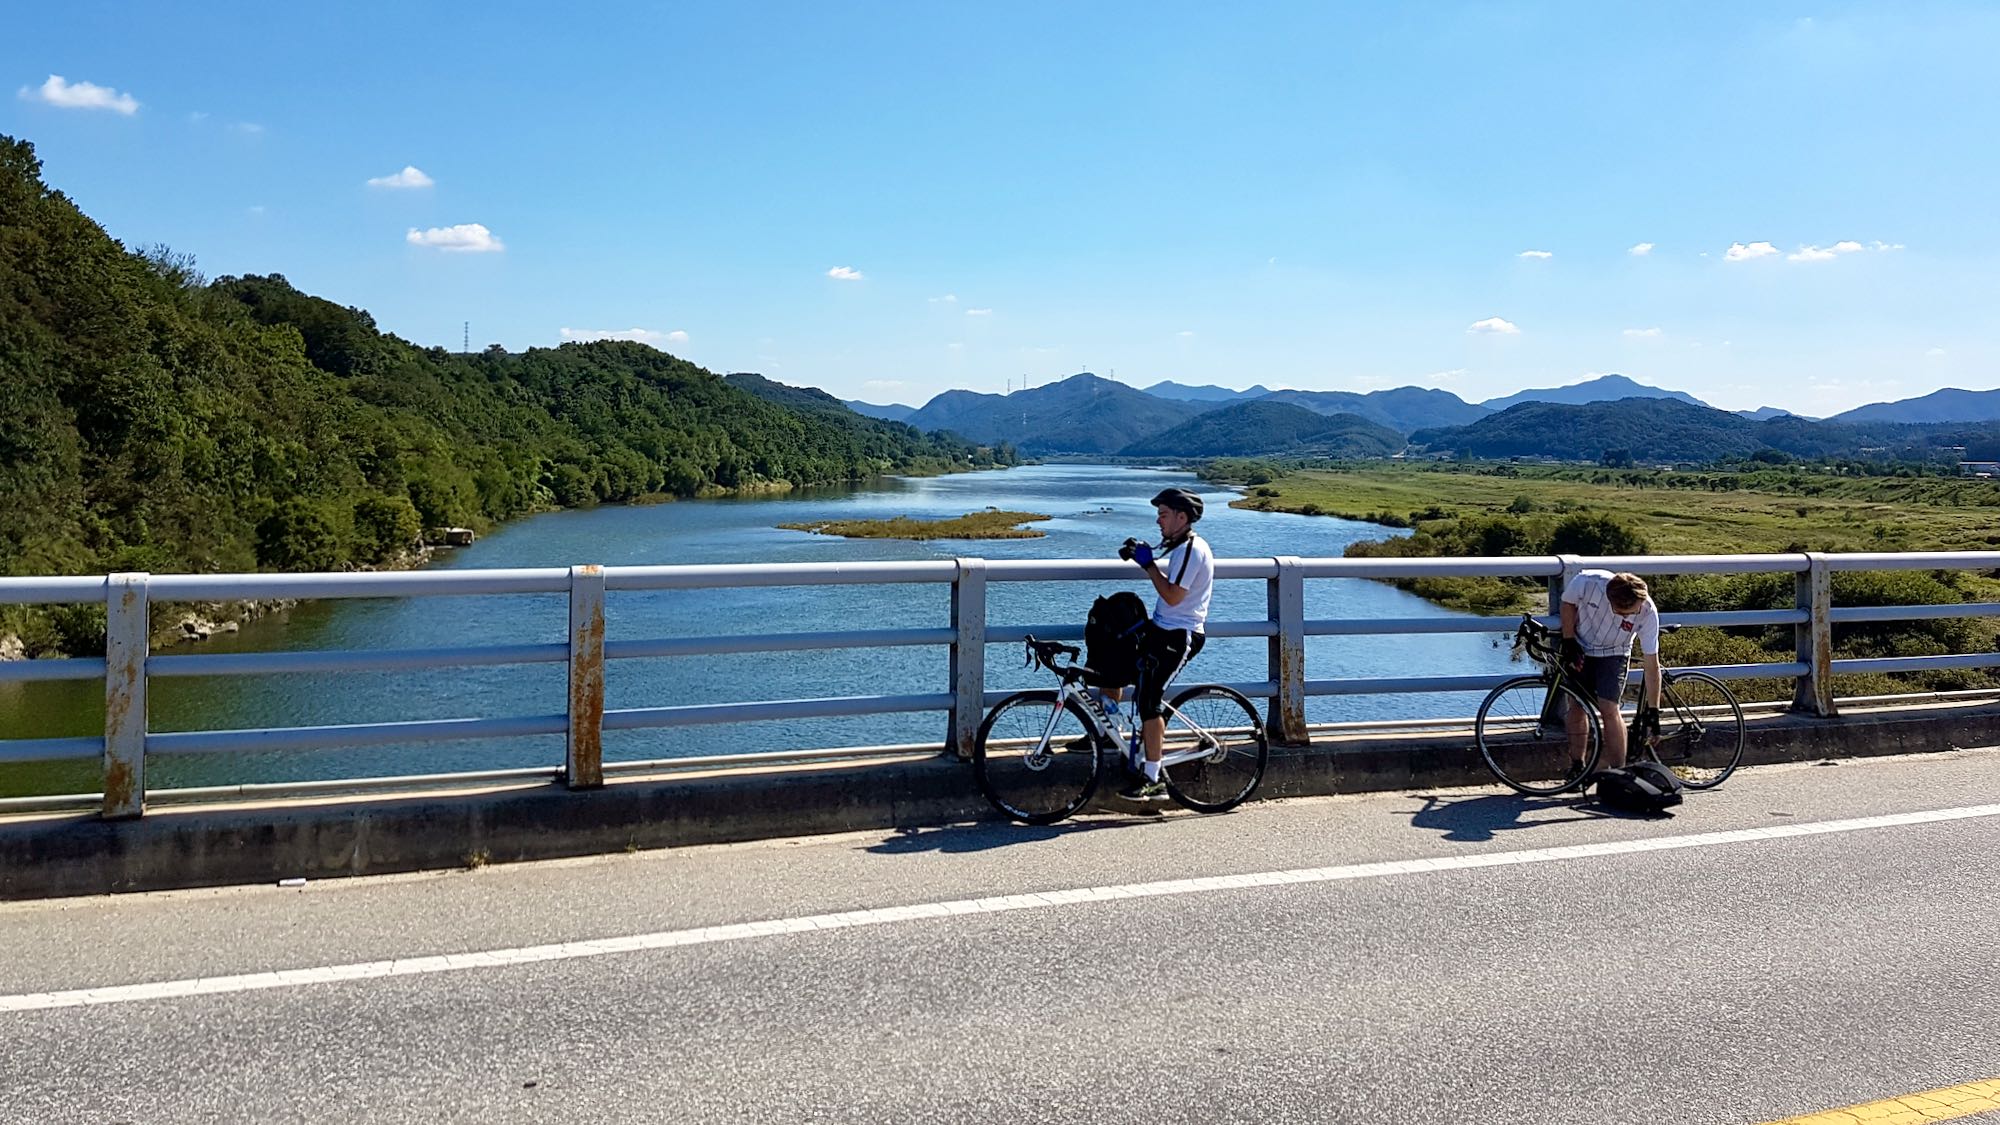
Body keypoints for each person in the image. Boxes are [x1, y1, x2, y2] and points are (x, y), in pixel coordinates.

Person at [1111, 487, 1214, 800]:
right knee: (1112, 662)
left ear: (1182, 517)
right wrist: (1145, 554)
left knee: (1149, 699)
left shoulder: (1193, 549)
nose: (1158, 521)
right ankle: (1108, 733)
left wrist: (1148, 565)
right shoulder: (1179, 545)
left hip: (1180, 635)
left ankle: (1153, 779)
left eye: (1164, 515)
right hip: (1162, 628)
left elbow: (1172, 595)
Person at [1559, 569, 1661, 780]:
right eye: (1621, 612)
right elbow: (1568, 603)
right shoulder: (1587, 582)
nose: (1626, 616)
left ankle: (1619, 771)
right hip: (1581, 645)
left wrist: (1654, 710)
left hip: (1615, 652)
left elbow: (1652, 666)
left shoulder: (1648, 612)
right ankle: (1577, 764)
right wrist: (1568, 640)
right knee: (1576, 706)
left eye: (1631, 613)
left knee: (1609, 708)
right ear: (1609, 597)